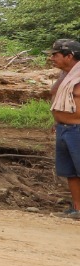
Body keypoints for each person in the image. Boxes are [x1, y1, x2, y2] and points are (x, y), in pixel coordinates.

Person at [48, 38, 80, 219]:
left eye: (56, 55)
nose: (52, 58)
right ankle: (77, 208)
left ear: (69, 56)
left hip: (77, 129)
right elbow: (57, 95)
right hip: (64, 129)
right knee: (70, 172)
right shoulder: (66, 75)